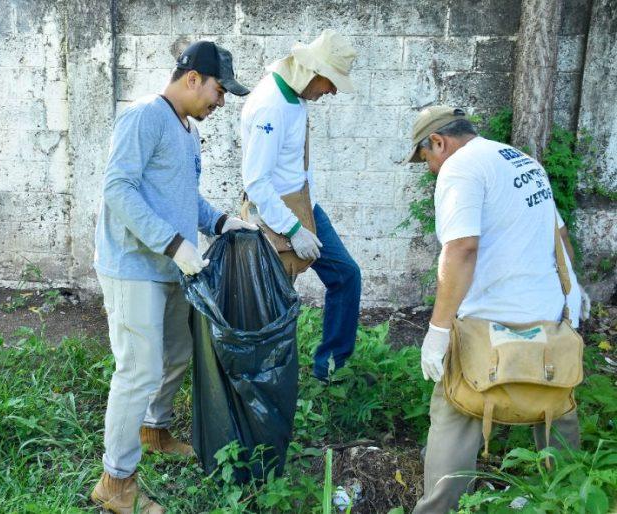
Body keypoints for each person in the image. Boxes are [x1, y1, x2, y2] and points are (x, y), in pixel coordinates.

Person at [91, 41, 254, 514]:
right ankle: (116, 483)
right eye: (219, 91)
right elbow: (118, 189)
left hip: (171, 265)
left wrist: (222, 223)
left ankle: (154, 430)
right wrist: (173, 243)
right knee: (138, 370)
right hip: (134, 266)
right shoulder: (144, 117)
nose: (220, 102)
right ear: (192, 79)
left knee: (178, 354)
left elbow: (185, 198)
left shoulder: (185, 131)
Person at [406, 106, 591, 513]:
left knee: (457, 405)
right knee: (555, 406)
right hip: (551, 314)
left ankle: (437, 509)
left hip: (491, 321)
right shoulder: (522, 161)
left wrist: (438, 331)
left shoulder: (459, 169)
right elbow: (560, 235)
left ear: (438, 142)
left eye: (426, 160)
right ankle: (566, 500)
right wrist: (572, 291)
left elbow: (460, 249)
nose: (431, 170)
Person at [240, 29, 362, 383]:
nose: (333, 91)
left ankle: (331, 368)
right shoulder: (270, 106)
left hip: (305, 204)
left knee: (346, 275)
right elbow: (257, 182)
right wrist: (292, 229)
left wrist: (305, 215)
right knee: (276, 304)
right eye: (331, 82)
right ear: (312, 72)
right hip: (275, 213)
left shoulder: (297, 94)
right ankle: (270, 381)